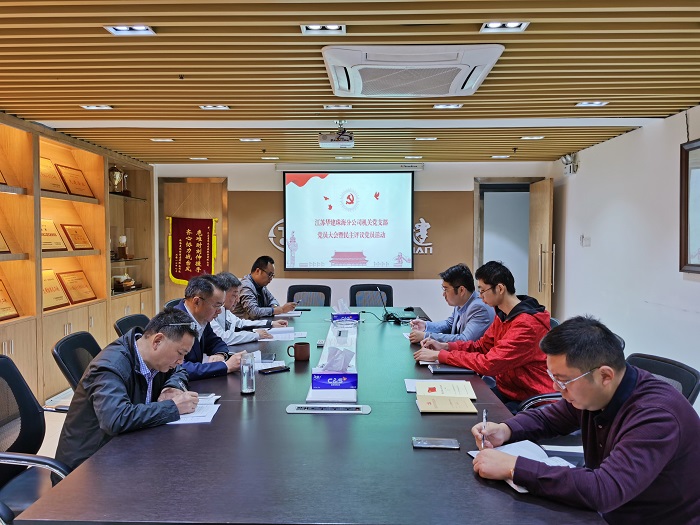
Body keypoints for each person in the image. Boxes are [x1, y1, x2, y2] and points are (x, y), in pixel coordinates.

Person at [470, 316, 700, 525]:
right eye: (553, 377)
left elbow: (605, 489)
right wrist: (506, 429)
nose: (556, 388)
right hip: (607, 511)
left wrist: (514, 467)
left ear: (605, 375)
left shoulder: (656, 416)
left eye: (563, 380)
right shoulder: (598, 393)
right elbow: (550, 418)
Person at [54, 309, 200, 473]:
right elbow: (115, 419)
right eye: (180, 353)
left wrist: (171, 387)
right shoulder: (110, 367)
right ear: (157, 341)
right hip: (88, 467)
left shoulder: (155, 359)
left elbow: (179, 371)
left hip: (127, 449)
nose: (181, 361)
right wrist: (172, 407)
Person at [413, 260, 552, 405]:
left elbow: (490, 363)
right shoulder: (503, 315)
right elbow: (482, 346)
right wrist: (446, 347)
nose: (480, 296)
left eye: (483, 290)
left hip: (529, 398)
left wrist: (440, 355)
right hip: (508, 390)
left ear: (500, 288)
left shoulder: (526, 324)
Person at [174, 274, 244, 380]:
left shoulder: (201, 318)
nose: (219, 311)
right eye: (217, 306)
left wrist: (220, 354)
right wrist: (225, 366)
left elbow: (215, 342)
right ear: (197, 302)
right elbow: (177, 367)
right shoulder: (175, 323)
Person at [408, 263, 493, 344]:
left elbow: (465, 340)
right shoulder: (461, 302)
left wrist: (426, 336)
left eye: (446, 289)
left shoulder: (479, 308)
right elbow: (449, 324)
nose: (443, 294)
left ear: (461, 290)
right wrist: (426, 325)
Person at [212, 271, 288, 345]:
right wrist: (255, 335)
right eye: (234, 295)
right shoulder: (211, 313)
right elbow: (223, 338)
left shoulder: (225, 310)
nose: (238, 300)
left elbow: (241, 324)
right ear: (222, 293)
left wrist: (270, 324)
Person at [232, 255, 296, 320]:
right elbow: (253, 312)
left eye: (272, 275)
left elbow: (272, 300)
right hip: (244, 325)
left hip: (257, 323)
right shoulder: (246, 286)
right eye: (269, 274)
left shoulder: (261, 286)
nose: (271, 278)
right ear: (258, 271)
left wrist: (275, 306)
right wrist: (279, 310)